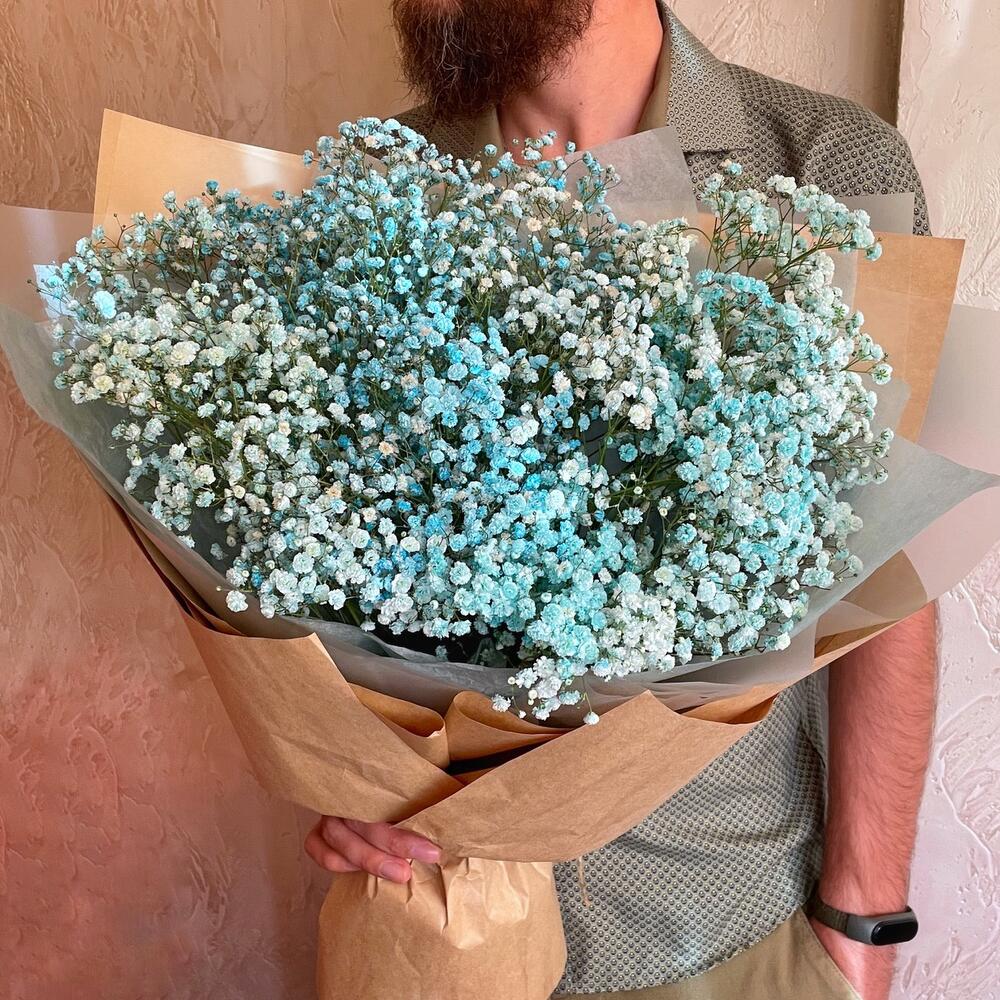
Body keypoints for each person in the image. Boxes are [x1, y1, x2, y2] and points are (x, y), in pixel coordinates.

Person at [304, 3, 938, 998]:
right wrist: (340, 777)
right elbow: (317, 566)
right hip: (439, 930)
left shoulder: (825, 166)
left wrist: (862, 926)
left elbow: (889, 583)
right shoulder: (373, 182)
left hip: (728, 935)